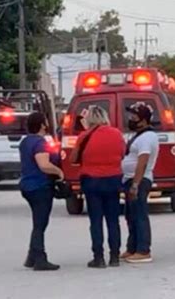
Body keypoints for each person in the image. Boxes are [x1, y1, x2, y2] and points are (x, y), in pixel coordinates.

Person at [71, 106, 125, 268]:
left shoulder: (84, 136)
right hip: (113, 179)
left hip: (92, 180)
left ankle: (98, 257)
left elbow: (73, 158)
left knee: (96, 220)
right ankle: (115, 256)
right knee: (113, 220)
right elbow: (123, 153)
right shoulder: (117, 134)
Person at [20, 112, 63, 271]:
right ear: (42, 125)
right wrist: (59, 172)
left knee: (37, 221)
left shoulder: (25, 142)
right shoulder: (40, 142)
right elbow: (43, 164)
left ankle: (31, 256)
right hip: (40, 186)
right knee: (40, 224)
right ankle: (40, 258)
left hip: (27, 184)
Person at [121, 103, 159, 264]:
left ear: (143, 119)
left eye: (134, 116)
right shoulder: (138, 135)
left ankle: (143, 250)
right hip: (129, 179)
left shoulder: (147, 137)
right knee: (131, 215)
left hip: (140, 180)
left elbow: (142, 162)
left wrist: (135, 184)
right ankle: (132, 248)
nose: (131, 119)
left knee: (139, 215)